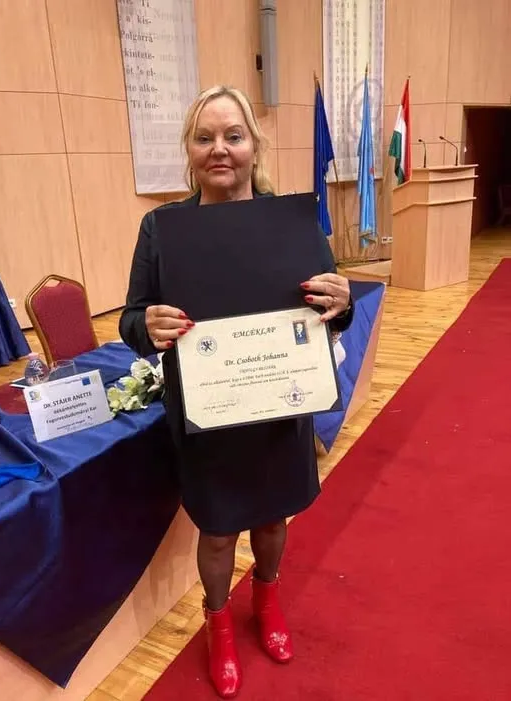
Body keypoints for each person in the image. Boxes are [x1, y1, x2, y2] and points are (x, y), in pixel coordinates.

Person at [119, 85, 354, 699]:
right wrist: (147, 324)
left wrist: (342, 301)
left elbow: (329, 303)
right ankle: (219, 626)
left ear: (254, 146)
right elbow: (131, 319)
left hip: (278, 399)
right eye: (205, 138)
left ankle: (267, 605)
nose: (219, 148)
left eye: (233, 135)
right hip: (209, 407)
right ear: (190, 150)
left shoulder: (289, 221)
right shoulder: (162, 229)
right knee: (219, 529)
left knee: (273, 517)